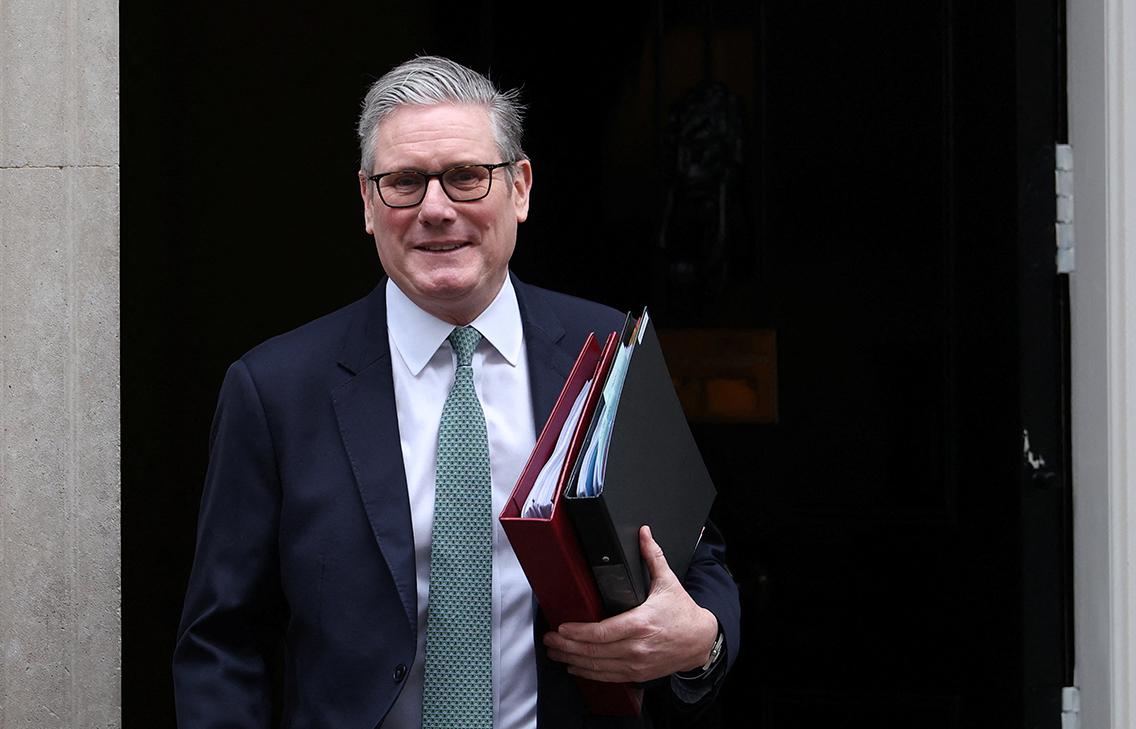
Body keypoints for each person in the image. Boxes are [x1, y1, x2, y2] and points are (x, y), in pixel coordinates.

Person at [173, 55, 740, 729]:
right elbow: (222, 642)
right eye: (404, 182)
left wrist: (703, 640)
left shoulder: (606, 349)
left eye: (467, 176)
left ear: (520, 188)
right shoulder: (276, 390)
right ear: (367, 202)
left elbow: (694, 558)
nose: (436, 210)